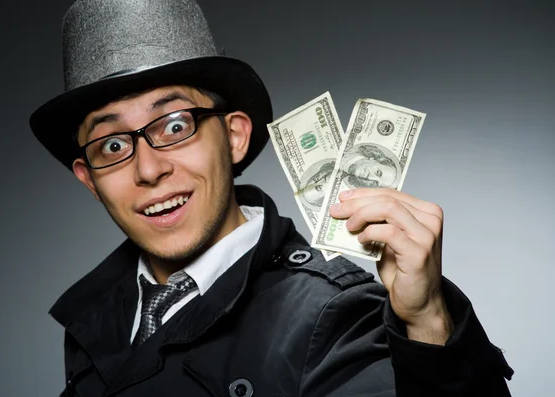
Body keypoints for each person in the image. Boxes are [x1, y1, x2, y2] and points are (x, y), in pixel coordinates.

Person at [30, 1, 513, 396]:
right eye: (112, 145)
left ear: (236, 137)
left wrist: (428, 323)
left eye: (175, 126)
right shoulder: (97, 317)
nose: (149, 168)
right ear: (89, 179)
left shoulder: (331, 315)